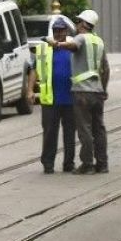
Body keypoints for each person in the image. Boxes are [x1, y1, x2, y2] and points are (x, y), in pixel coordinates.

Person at [55, 9, 110, 174]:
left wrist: (58, 44)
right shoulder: (99, 42)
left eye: (79, 22)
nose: (77, 25)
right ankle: (102, 164)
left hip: (81, 93)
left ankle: (87, 164)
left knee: (84, 129)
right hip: (97, 92)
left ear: (84, 24)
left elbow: (73, 45)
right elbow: (105, 69)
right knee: (99, 128)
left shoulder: (81, 38)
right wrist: (104, 89)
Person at [34, 16, 78, 174]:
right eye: (55, 31)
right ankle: (48, 163)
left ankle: (69, 163)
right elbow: (34, 69)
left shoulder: (73, 46)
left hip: (71, 98)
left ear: (66, 31)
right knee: (49, 133)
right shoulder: (45, 48)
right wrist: (29, 91)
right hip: (50, 99)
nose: (58, 33)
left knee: (69, 134)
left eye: (61, 30)